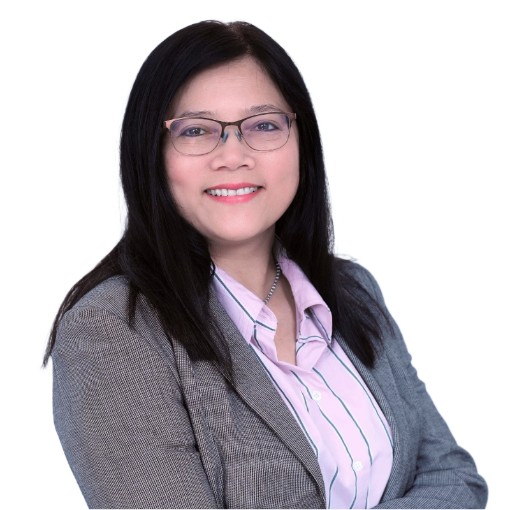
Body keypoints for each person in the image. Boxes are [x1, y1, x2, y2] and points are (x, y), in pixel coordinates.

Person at [44, 20, 488, 509]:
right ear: (150, 153)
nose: (234, 156)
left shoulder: (354, 290)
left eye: (264, 126)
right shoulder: (112, 331)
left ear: (301, 143)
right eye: (196, 130)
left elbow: (456, 478)